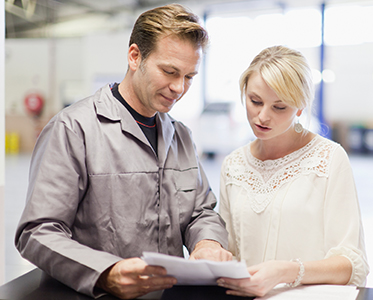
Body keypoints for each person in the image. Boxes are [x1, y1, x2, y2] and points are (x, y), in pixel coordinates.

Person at [15, 4, 231, 299]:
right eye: (169, 71)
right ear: (135, 56)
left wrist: (208, 243)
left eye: (189, 76)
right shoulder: (74, 129)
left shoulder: (180, 136)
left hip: (168, 292)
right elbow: (37, 231)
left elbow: (200, 211)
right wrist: (106, 273)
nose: (179, 87)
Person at [217, 45, 369, 297]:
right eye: (255, 101)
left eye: (279, 107)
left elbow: (352, 264)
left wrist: (287, 271)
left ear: (300, 107)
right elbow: (229, 251)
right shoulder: (233, 165)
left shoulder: (329, 159)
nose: (262, 116)